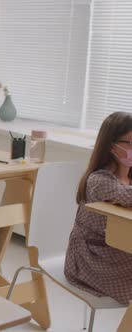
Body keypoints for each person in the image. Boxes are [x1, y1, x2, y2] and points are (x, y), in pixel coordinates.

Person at [65, 111, 132, 305]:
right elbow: (126, 196)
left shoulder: (128, 177)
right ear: (112, 146)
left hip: (119, 250)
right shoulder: (99, 180)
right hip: (93, 257)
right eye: (130, 143)